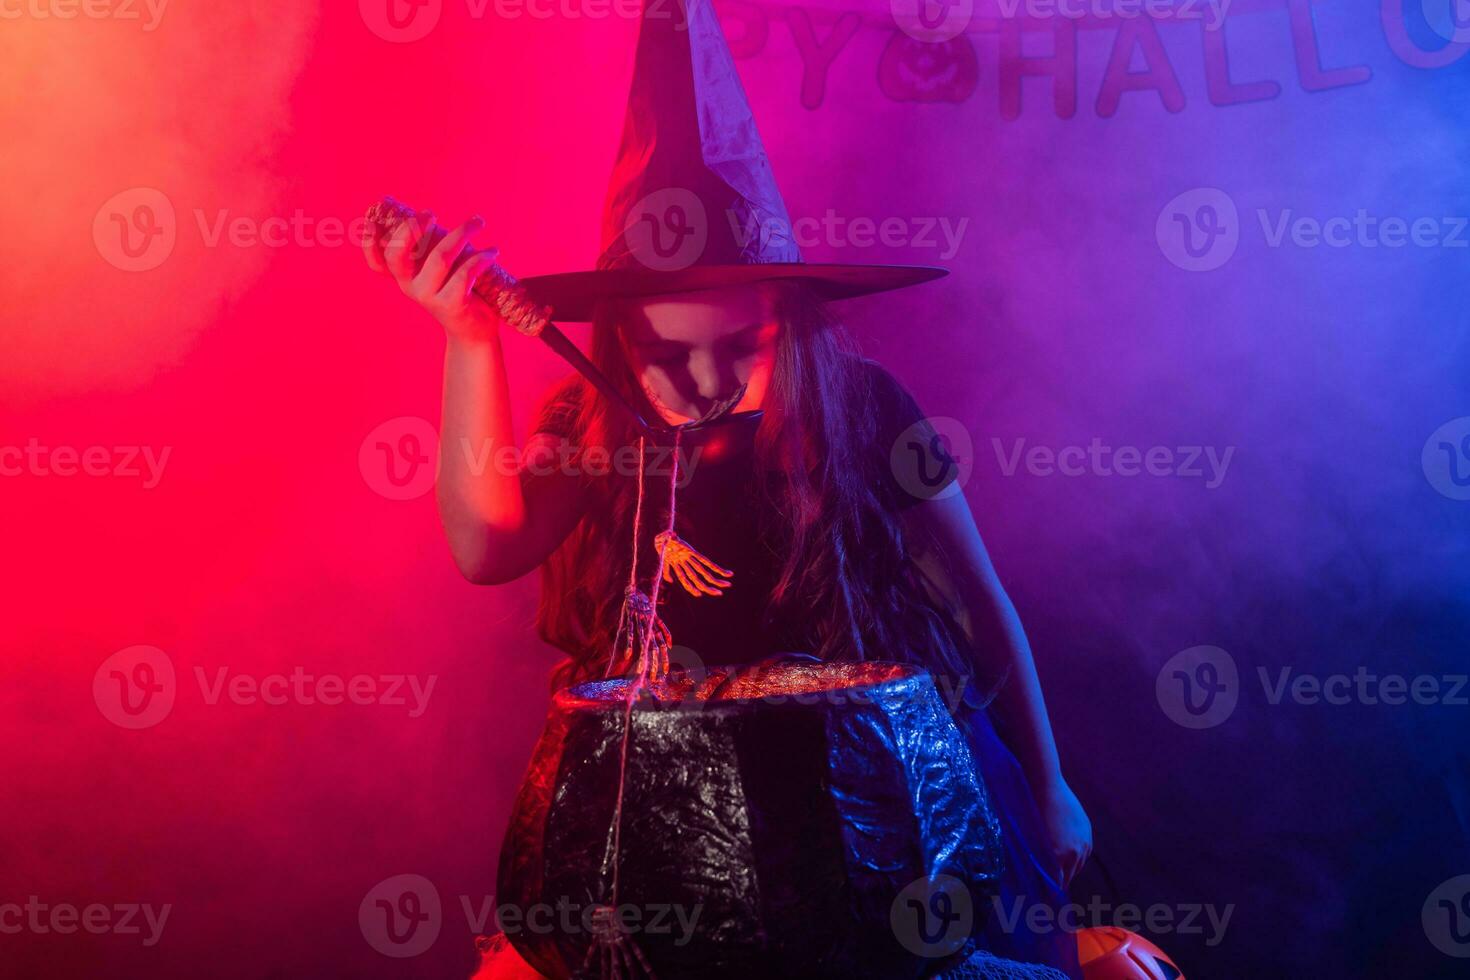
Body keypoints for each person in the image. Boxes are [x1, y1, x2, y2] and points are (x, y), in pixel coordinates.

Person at [363, 0, 1089, 973]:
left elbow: (980, 606)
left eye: (737, 347)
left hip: (864, 819)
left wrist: (1046, 783)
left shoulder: (865, 411)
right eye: (664, 355)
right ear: (619, 339)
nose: (701, 385)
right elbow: (487, 543)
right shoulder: (598, 427)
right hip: (653, 836)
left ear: (788, 323)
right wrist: (470, 339)